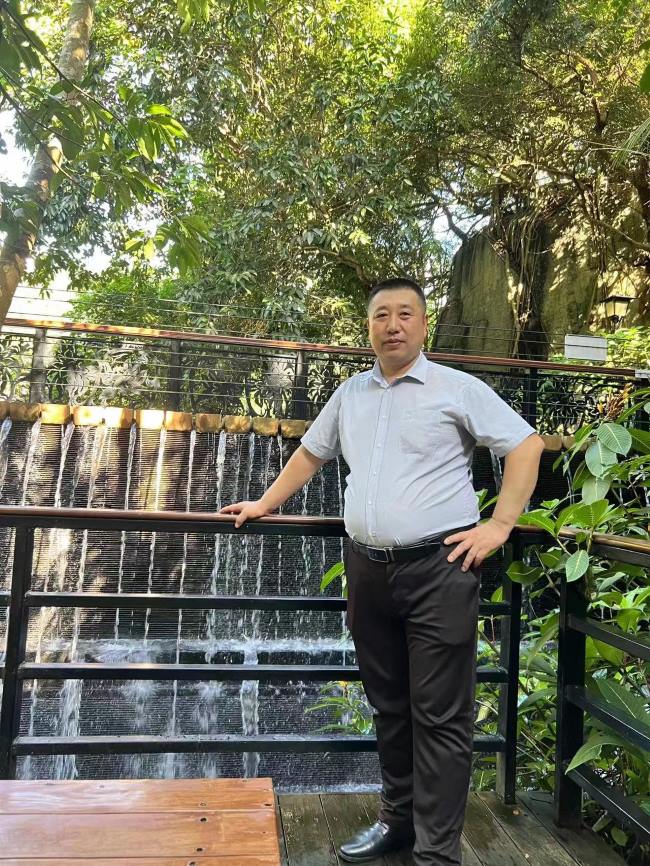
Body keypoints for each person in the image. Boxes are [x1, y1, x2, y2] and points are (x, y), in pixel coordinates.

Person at [220, 277, 545, 865]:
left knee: (440, 717)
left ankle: (436, 853)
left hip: (439, 568)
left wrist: (500, 525)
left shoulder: (457, 388)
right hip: (367, 570)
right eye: (380, 316)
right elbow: (311, 453)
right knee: (389, 705)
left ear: (423, 325)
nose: (392, 325)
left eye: (404, 314)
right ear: (368, 327)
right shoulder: (351, 394)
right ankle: (397, 821)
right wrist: (266, 503)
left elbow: (525, 445)